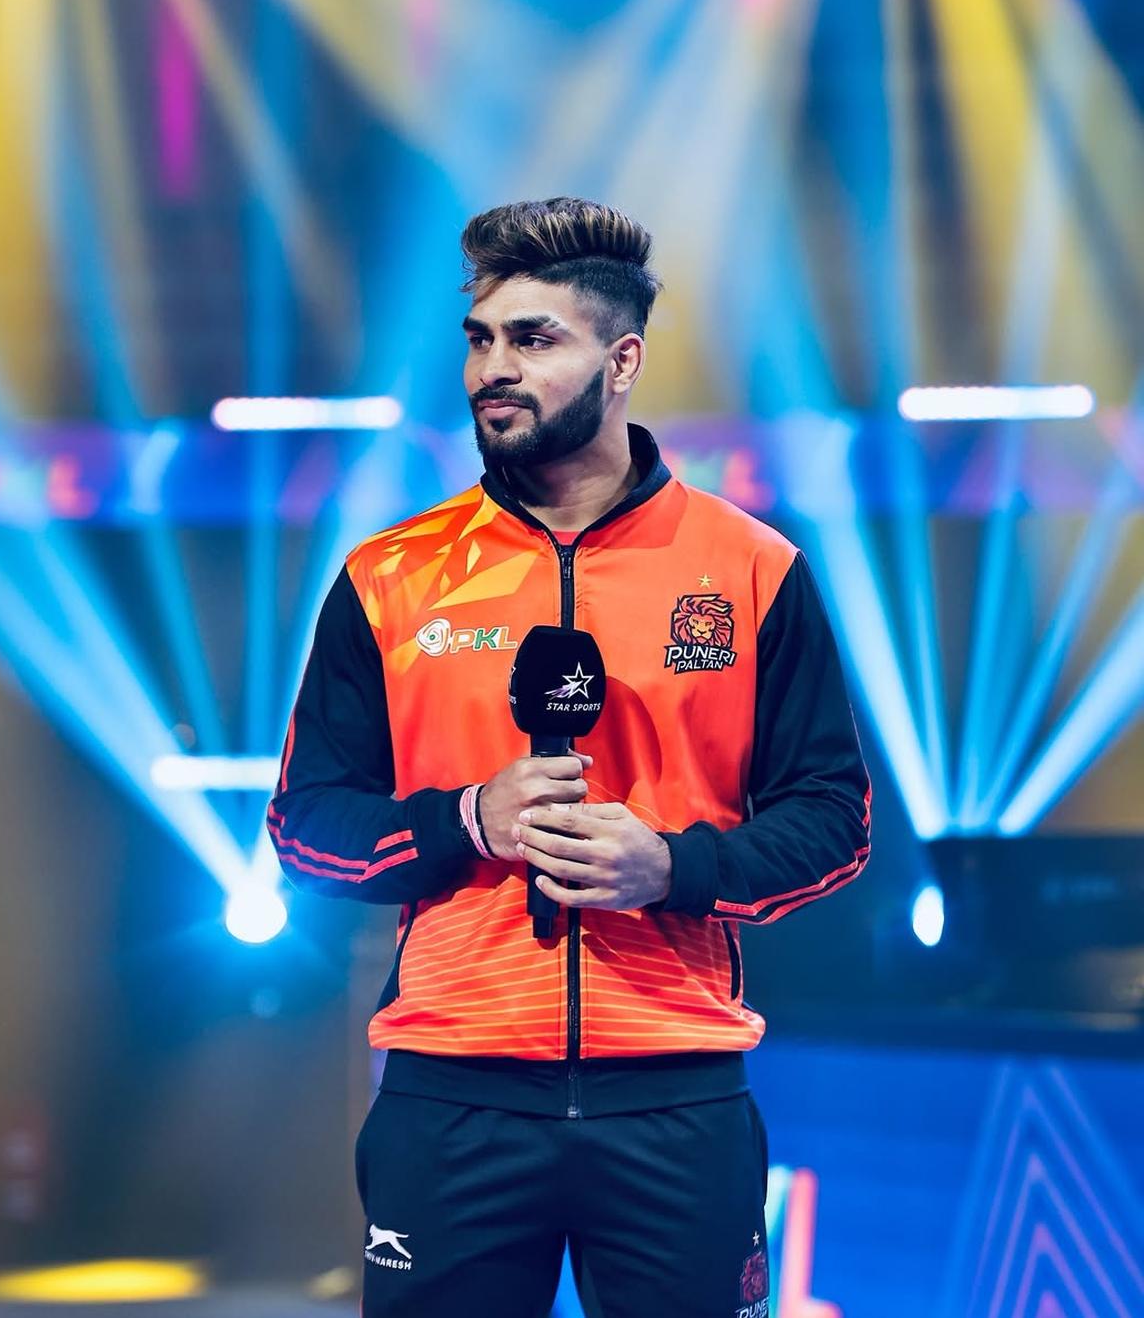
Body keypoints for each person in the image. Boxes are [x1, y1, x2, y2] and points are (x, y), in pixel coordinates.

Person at [268, 197, 871, 1318]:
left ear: (622, 360)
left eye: (534, 338)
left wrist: (674, 867)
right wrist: (468, 820)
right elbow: (305, 831)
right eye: (480, 339)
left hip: (676, 1096)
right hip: (453, 1098)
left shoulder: (753, 568)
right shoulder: (389, 576)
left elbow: (834, 821)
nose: (493, 369)